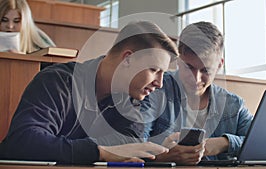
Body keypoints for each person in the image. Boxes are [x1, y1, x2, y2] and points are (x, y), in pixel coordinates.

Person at [0, 21, 178, 164]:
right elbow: (22, 141)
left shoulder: (131, 97)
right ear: (128, 59)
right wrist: (99, 152)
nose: (160, 83)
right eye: (154, 69)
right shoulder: (57, 82)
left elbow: (129, 143)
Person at [142, 21, 253, 165]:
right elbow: (133, 144)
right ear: (178, 59)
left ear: (219, 64)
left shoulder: (234, 105)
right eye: (189, 67)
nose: (196, 79)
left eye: (205, 70)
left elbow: (261, 143)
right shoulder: (155, 91)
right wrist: (163, 157)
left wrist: (224, 143)